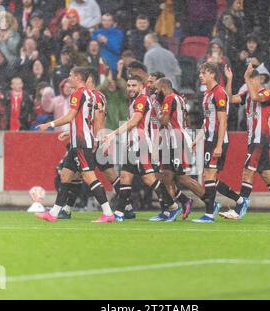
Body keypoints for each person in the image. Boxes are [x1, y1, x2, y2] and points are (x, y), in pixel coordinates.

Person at [37, 67, 115, 223]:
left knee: (89, 177)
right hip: (78, 140)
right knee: (65, 176)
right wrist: (72, 132)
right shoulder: (91, 95)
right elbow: (90, 120)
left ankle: (108, 212)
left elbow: (70, 116)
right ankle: (53, 213)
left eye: (71, 75)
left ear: (78, 77)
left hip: (81, 142)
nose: (68, 78)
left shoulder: (78, 94)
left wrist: (49, 124)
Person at [102, 75, 182, 222]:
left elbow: (134, 121)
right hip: (133, 145)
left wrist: (113, 133)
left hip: (142, 145)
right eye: (128, 85)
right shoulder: (134, 101)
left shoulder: (142, 100)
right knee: (125, 177)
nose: (130, 88)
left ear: (140, 87)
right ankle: (119, 213)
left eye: (134, 86)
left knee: (149, 179)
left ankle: (173, 207)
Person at [222, 64, 270, 220]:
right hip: (253, 139)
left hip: (260, 138)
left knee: (247, 171)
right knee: (266, 174)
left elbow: (256, 97)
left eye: (251, 79)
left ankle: (238, 210)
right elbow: (230, 99)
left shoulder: (268, 93)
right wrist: (230, 80)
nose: (249, 82)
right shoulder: (247, 93)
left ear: (258, 79)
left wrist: (246, 79)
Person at [191, 62, 243, 224]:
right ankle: (239, 200)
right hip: (209, 139)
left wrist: (219, 145)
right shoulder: (207, 94)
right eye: (200, 73)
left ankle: (209, 213)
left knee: (210, 175)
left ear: (212, 74)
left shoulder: (219, 93)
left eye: (204, 73)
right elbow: (207, 121)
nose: (201, 75)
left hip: (216, 140)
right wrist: (197, 139)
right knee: (208, 176)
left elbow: (223, 121)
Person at [155, 77, 207, 220]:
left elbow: (164, 121)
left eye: (157, 89)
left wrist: (157, 113)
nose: (156, 92)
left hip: (176, 141)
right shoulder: (179, 99)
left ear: (163, 88)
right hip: (173, 140)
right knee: (166, 176)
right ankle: (180, 204)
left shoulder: (169, 99)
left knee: (182, 178)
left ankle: (210, 203)